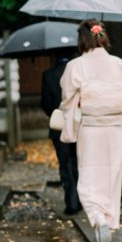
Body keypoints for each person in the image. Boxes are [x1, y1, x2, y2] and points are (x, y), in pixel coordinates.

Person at [58, 20, 122, 242]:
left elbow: (67, 96)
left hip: (91, 127)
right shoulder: (119, 63)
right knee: (112, 173)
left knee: (90, 173)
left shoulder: (76, 65)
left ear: (82, 39)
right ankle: (109, 219)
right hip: (114, 127)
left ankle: (97, 216)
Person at [41, 49, 81, 215]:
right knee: (78, 161)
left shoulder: (48, 74)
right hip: (79, 124)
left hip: (59, 127)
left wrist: (56, 113)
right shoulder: (78, 73)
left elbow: (45, 103)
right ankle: (80, 199)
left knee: (65, 163)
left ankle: (71, 202)